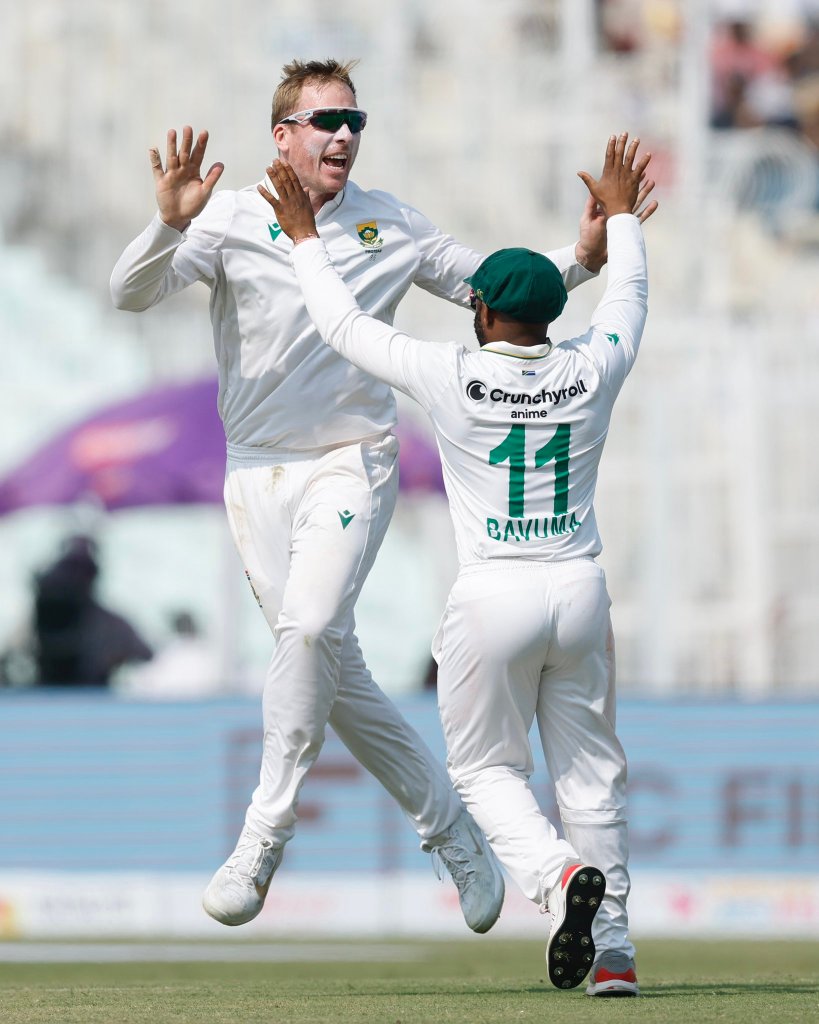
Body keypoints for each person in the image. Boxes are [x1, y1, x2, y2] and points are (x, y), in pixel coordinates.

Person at [110, 57, 654, 935]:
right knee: (329, 665)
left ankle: (261, 836)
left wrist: (581, 258)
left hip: (351, 459)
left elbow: (493, 286)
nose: (342, 136)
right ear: (282, 135)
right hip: (256, 468)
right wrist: (167, 224)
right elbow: (129, 294)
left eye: (353, 121)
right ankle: (453, 832)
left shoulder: (390, 222)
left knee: (311, 631)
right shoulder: (230, 217)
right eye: (325, 121)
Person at [261, 129, 649, 995]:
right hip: (578, 586)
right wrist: (619, 222)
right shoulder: (595, 365)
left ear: (482, 313)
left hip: (492, 593)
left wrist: (303, 238)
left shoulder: (450, 372)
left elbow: (341, 324)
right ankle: (614, 953)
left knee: (482, 770)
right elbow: (629, 294)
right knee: (591, 776)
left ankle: (554, 877)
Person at [32, 535, 153, 686]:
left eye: (82, 570)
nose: (74, 578)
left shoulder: (111, 626)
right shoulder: (38, 621)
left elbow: (146, 656)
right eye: (70, 569)